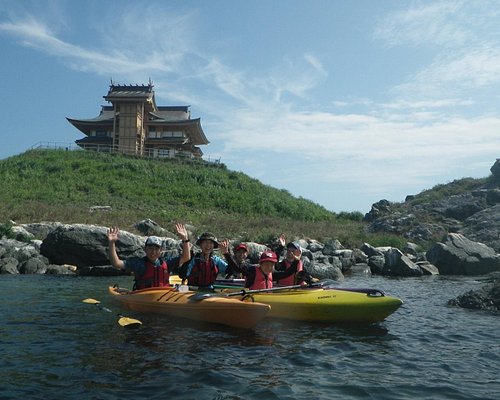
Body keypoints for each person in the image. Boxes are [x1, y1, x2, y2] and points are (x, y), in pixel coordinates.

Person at [107, 223, 191, 290]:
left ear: (160, 251)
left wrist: (185, 238)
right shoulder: (139, 264)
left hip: (164, 296)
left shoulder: (167, 262)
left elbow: (186, 258)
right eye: (150, 248)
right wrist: (111, 243)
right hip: (145, 297)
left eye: (156, 249)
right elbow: (116, 263)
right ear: (145, 249)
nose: (153, 252)